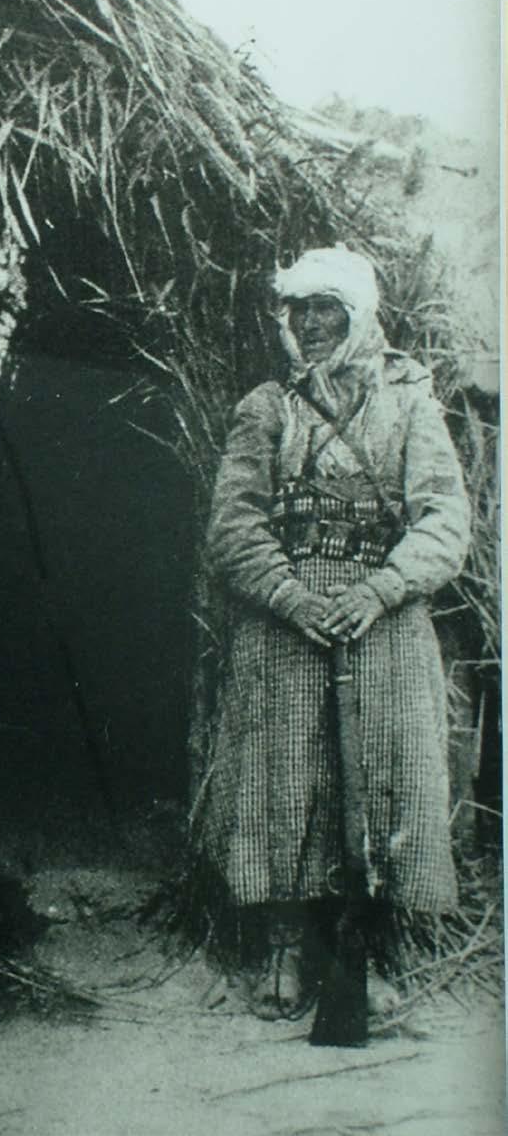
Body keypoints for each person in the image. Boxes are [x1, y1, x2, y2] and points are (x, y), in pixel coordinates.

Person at [199, 243, 470, 1019]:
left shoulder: (411, 403)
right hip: (286, 623)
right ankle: (284, 946)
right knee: (288, 775)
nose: (314, 324)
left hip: (384, 621)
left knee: (382, 776)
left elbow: (446, 522)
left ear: (359, 315)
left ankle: (368, 949)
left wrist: (381, 587)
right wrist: (290, 594)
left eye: (330, 309)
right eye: (301, 310)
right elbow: (234, 526)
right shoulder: (266, 407)